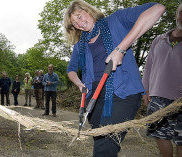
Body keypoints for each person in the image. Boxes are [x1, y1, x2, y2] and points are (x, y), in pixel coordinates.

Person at [64, 1, 165, 156]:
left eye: (79, 16)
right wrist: (79, 84)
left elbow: (158, 8)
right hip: (94, 97)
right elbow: (71, 69)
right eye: (74, 23)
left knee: (104, 148)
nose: (78, 23)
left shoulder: (116, 20)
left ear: (87, 10)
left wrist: (120, 48)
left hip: (122, 92)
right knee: (104, 145)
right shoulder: (80, 44)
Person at [142, 4, 182, 157]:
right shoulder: (159, 40)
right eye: (181, 13)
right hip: (158, 97)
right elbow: (149, 66)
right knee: (159, 135)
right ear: (176, 15)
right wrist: (145, 89)